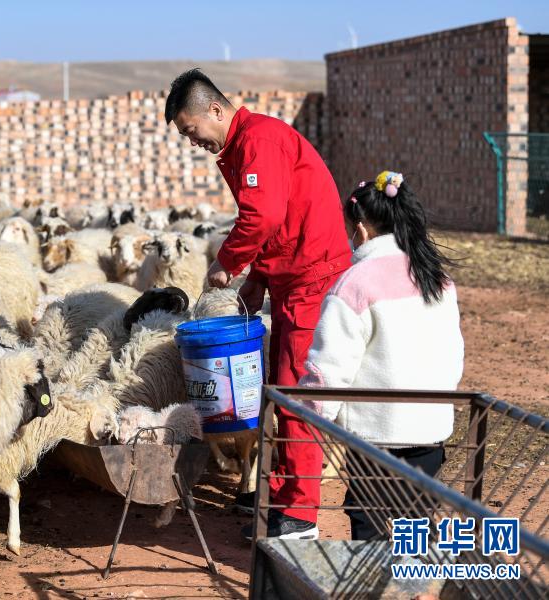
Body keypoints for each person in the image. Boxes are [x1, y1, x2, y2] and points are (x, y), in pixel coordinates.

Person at [165, 69, 350, 540]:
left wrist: (227, 263)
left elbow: (263, 215)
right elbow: (281, 219)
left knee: (295, 394)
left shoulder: (259, 140)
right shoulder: (245, 144)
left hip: (311, 278)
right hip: (292, 276)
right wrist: (260, 280)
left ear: (215, 109)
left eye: (191, 130)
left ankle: (299, 516)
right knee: (279, 390)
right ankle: (280, 495)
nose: (193, 141)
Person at [300, 171, 464, 540]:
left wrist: (312, 410)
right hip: (430, 426)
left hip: (376, 433)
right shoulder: (435, 277)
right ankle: (417, 574)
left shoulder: (355, 284)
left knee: (367, 516)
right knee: (418, 516)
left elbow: (330, 366)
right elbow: (454, 354)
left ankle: (373, 573)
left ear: (360, 229)